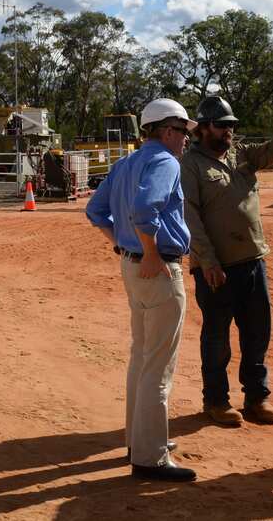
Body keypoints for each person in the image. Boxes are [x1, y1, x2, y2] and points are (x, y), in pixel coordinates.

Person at [87, 98, 197, 482]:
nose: (186, 139)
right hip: (157, 266)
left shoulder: (125, 162)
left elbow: (95, 211)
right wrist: (150, 251)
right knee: (158, 365)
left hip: (132, 265)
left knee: (142, 356)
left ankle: (140, 441)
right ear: (167, 130)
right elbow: (145, 209)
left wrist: (122, 244)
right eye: (183, 131)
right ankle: (149, 457)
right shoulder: (165, 161)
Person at [180, 96, 273, 428]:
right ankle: (216, 402)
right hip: (216, 267)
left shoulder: (240, 153)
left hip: (252, 260)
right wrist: (208, 261)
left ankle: (257, 398)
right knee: (217, 337)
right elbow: (190, 218)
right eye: (222, 125)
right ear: (203, 129)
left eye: (232, 125)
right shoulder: (191, 165)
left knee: (257, 333)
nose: (229, 130)